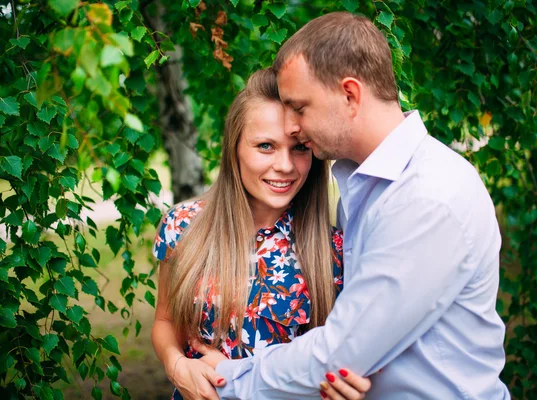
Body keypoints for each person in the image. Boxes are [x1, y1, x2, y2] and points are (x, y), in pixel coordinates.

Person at [198, 12, 510, 399]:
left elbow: (340, 353)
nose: (291, 125)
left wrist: (230, 376)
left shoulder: (426, 197)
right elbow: (350, 345)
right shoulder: (367, 186)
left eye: (299, 107)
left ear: (349, 95)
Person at [151, 69, 370, 400]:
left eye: (299, 148)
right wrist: (175, 365)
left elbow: (341, 360)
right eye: (265, 146)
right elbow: (165, 322)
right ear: (235, 148)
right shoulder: (183, 226)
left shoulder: (336, 251)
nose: (284, 165)